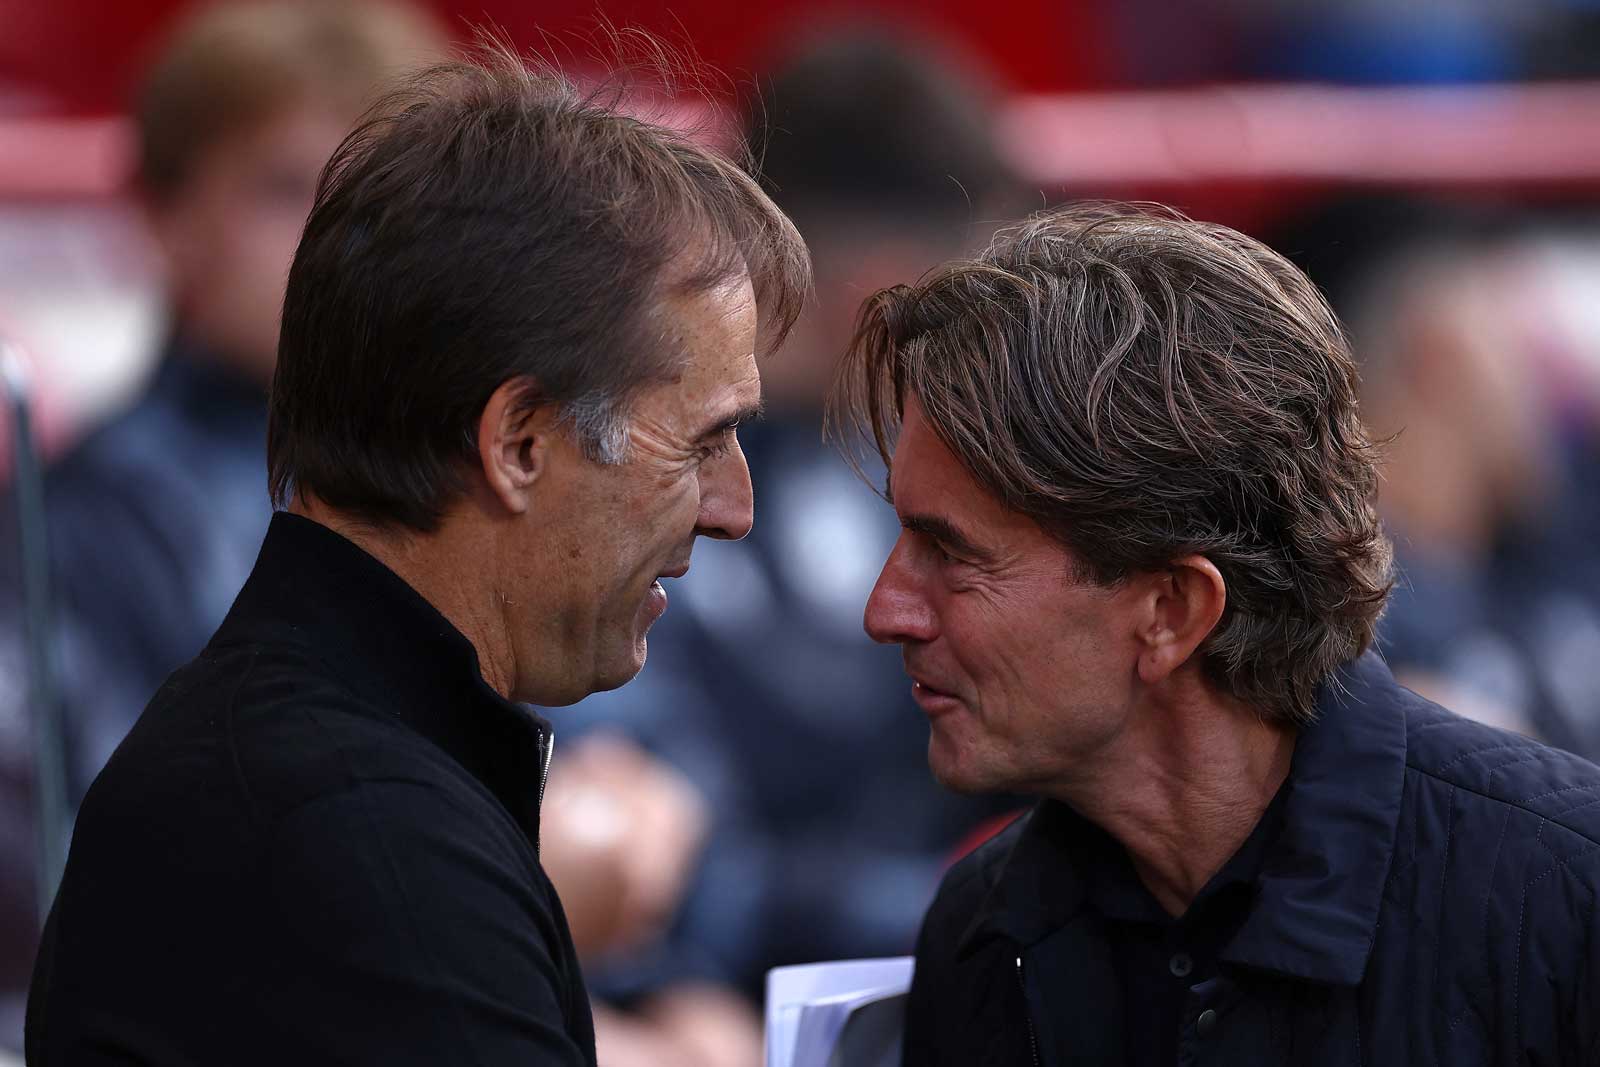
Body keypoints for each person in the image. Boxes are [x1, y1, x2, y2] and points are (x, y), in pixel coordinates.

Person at [25, 42, 808, 1065]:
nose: (733, 507)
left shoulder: (334, 785)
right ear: (518, 443)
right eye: (702, 440)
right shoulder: (371, 848)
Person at [834, 202, 1600, 1065]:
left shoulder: (1565, 899)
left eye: (950, 552)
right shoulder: (982, 937)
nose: (886, 607)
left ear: (1172, 612)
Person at [0, 0, 442, 1041]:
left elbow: (675, 785)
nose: (348, 245)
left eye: (381, 198)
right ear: (162, 215)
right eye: (291, 190)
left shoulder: (507, 477)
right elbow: (117, 888)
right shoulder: (75, 532)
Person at [564, 28, 1020, 1036]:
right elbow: (659, 859)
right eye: (966, 302)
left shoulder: (922, 465)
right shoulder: (610, 482)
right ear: (883, 292)